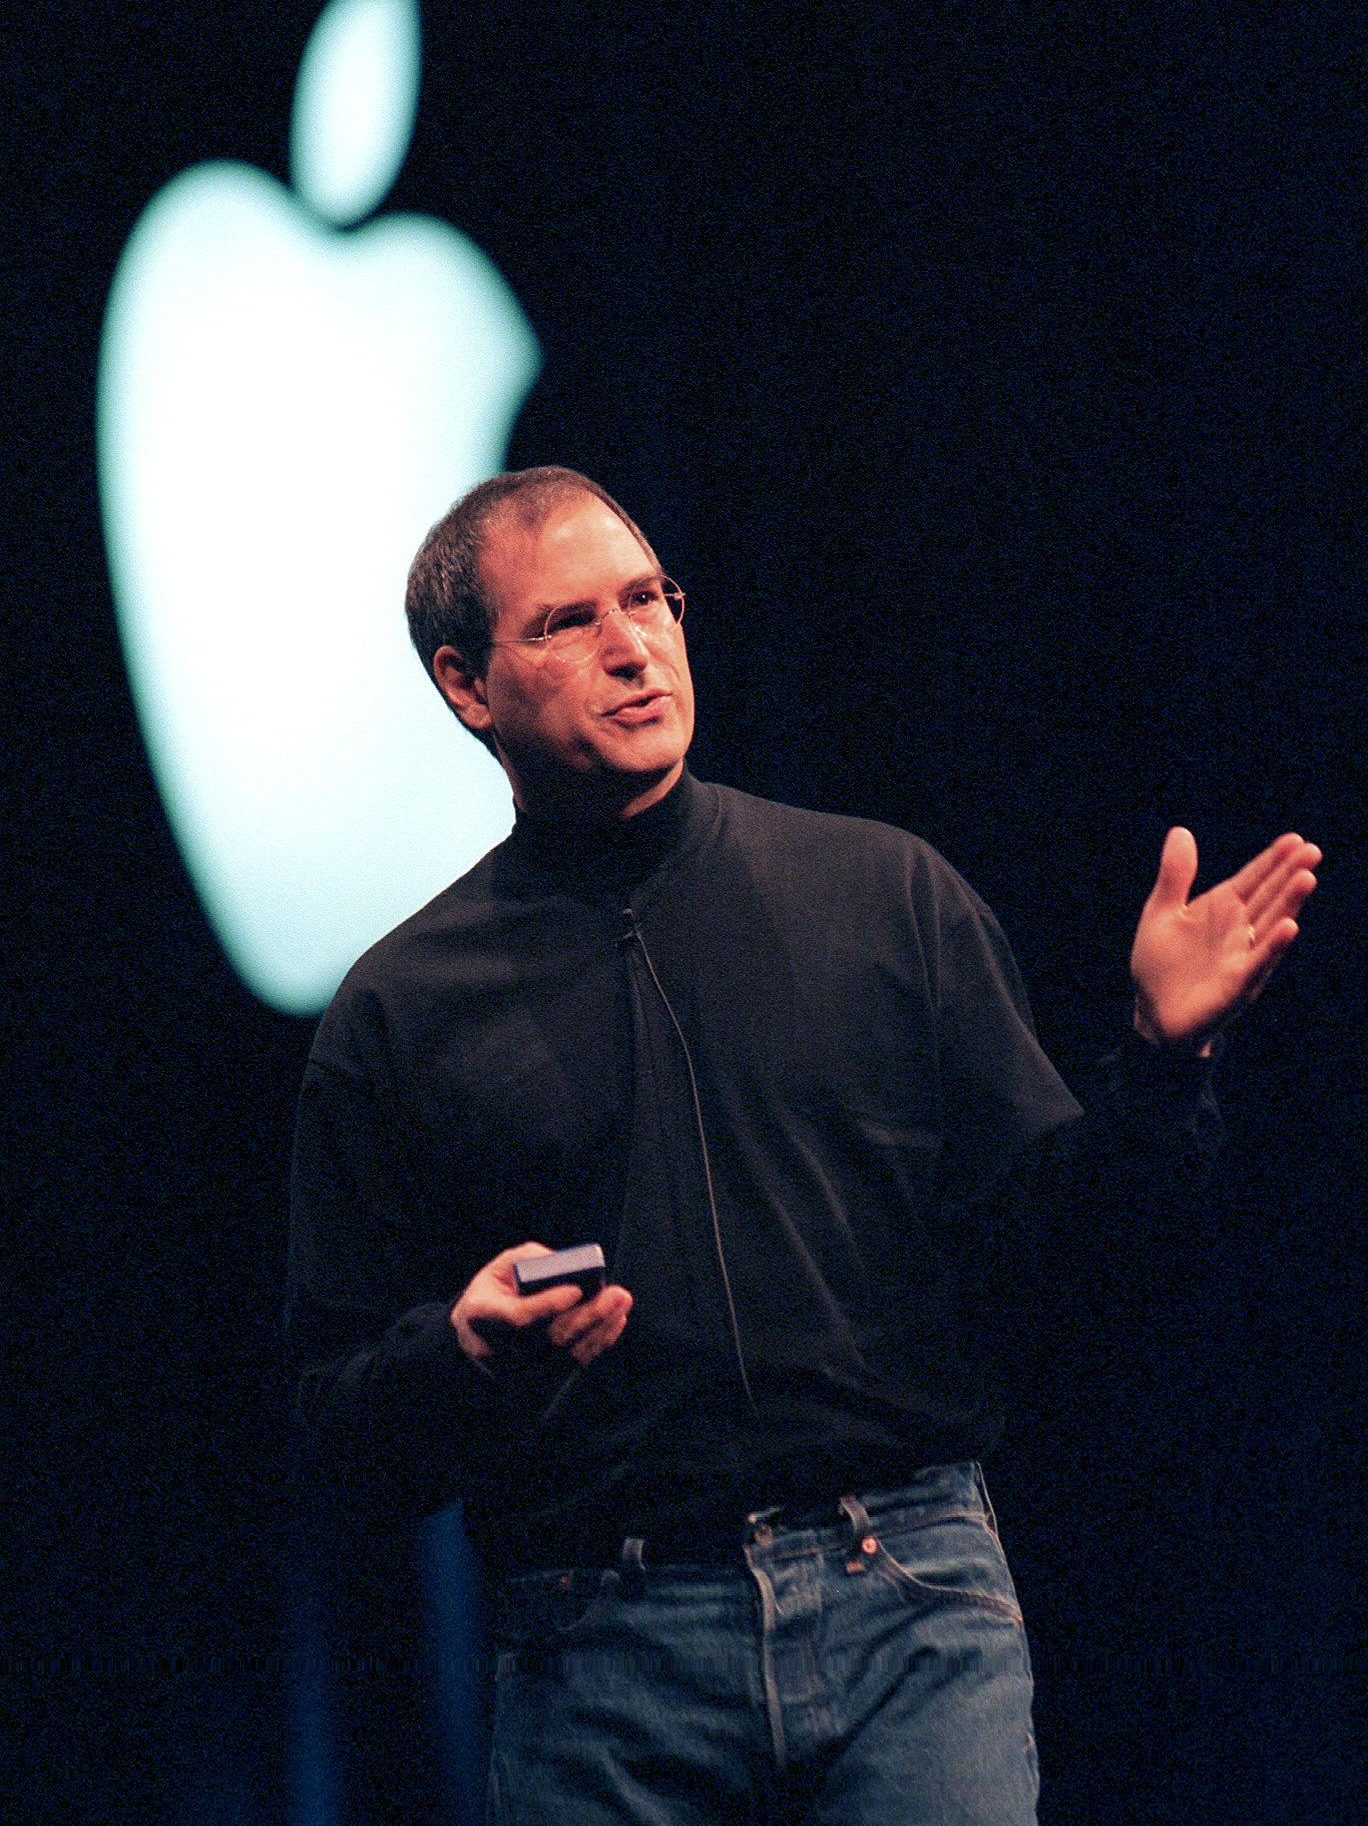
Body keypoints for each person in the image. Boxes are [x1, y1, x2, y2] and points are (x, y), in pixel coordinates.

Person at [285, 466, 1319, 1825]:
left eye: (652, 598)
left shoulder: (883, 892)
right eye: (567, 621)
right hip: (604, 1652)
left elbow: (1080, 1264)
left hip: (911, 1609)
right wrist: (460, 1356)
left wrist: (1163, 1059)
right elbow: (331, 1427)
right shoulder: (402, 1009)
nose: (632, 643)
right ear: (466, 685)